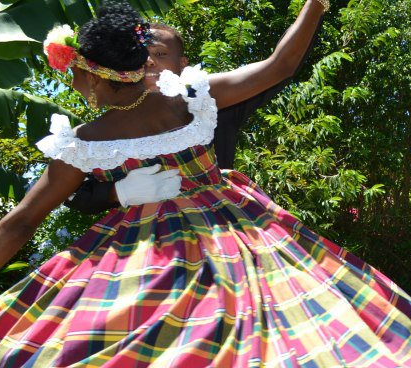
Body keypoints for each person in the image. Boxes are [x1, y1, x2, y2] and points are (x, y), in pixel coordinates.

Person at [0, 3, 411, 368]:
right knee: (267, 344)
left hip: (151, 257)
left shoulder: (87, 140)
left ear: (90, 74)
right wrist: (315, 5)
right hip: (236, 236)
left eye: (76, 73)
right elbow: (280, 65)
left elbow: (19, 222)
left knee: (161, 365)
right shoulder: (189, 100)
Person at [65, 2, 326, 213]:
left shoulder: (207, 102)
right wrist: (117, 191)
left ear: (182, 64)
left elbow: (278, 67)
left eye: (160, 54)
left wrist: (316, 4)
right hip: (142, 244)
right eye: (141, 55)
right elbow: (73, 193)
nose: (149, 62)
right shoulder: (99, 131)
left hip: (217, 227)